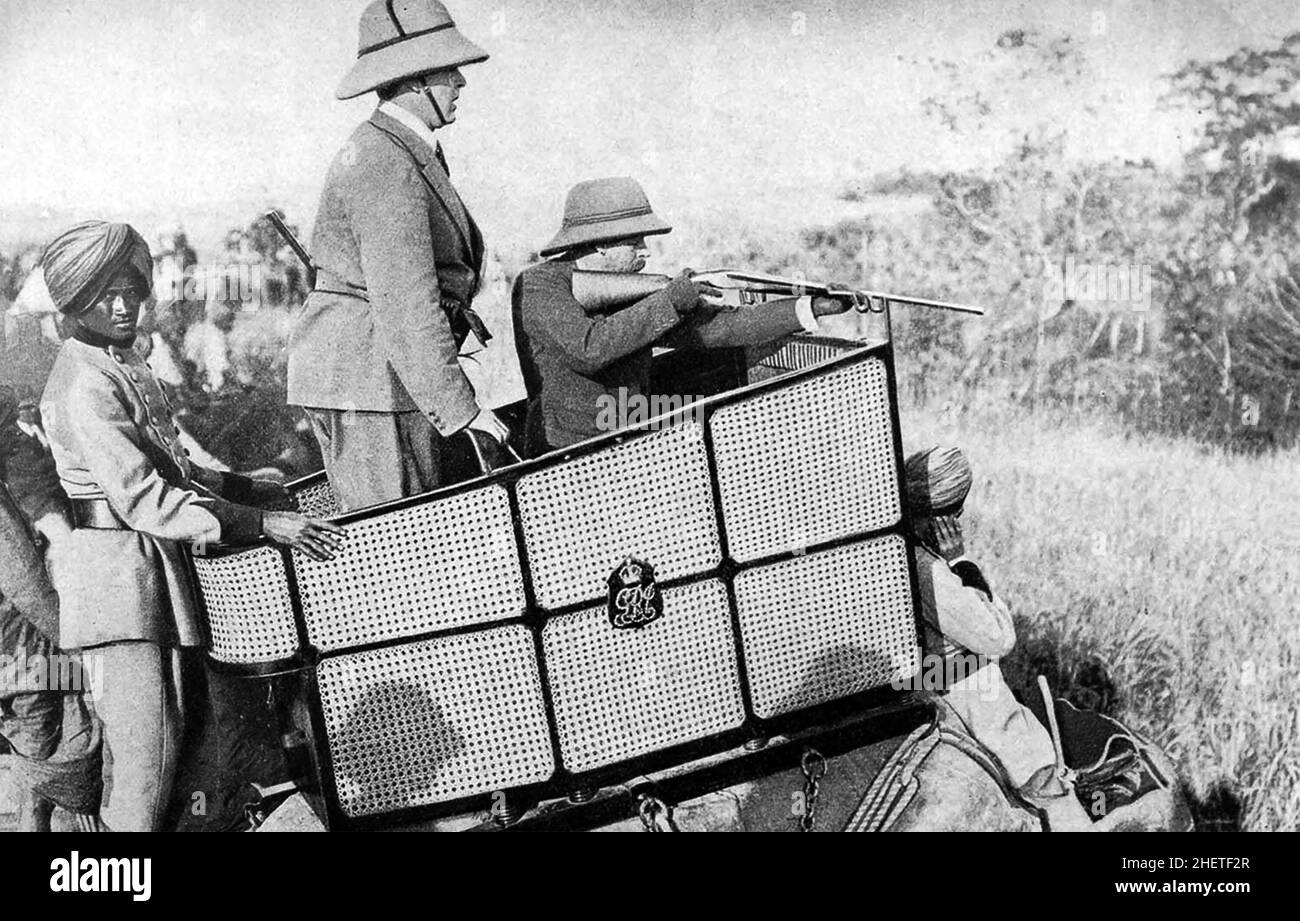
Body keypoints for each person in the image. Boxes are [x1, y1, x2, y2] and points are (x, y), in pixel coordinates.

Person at [38, 220, 346, 831]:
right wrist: (259, 523)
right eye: (106, 295)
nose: (124, 304)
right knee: (144, 771)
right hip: (116, 586)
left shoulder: (114, 362)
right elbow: (147, 498)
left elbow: (175, 464)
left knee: (177, 755)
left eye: (131, 289)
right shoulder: (84, 386)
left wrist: (241, 488)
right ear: (75, 302)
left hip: (144, 573)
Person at [288, 0, 506, 511]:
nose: (461, 82)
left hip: (378, 379)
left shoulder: (397, 148)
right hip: (372, 384)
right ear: (415, 81)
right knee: (398, 549)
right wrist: (462, 411)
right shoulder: (386, 160)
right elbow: (407, 303)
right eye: (449, 70)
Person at [512, 176, 863, 454]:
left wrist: (812, 307)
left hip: (627, 437)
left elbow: (720, 329)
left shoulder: (624, 286)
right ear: (601, 242)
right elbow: (588, 349)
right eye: (634, 241)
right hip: (567, 452)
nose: (645, 251)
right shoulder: (540, 285)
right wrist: (670, 301)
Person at [906, 445, 1092, 831]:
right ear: (948, 516)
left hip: (914, 686)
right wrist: (961, 561)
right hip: (969, 702)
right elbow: (998, 640)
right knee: (1049, 786)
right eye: (955, 512)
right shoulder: (932, 570)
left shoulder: (899, 552)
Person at [0, 476, 103, 832]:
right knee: (46, 780)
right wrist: (72, 641)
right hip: (28, 655)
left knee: (39, 770)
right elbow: (22, 578)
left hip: (16, 659)